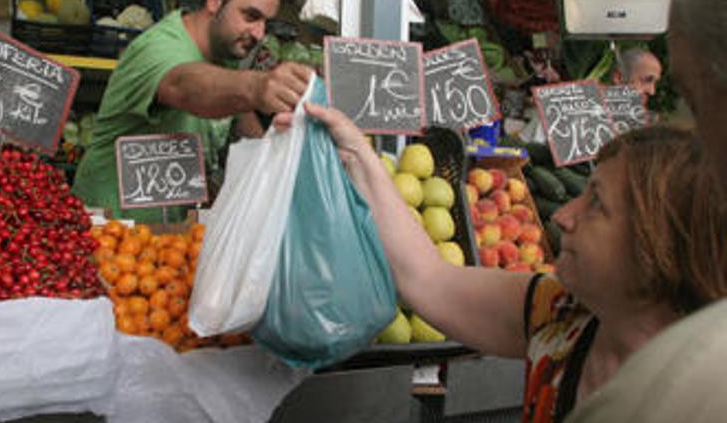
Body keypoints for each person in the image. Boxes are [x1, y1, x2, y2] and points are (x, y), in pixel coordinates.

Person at [273, 104, 727, 423]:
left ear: (657, 246)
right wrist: (357, 156)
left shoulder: (702, 398)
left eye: (597, 205)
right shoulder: (561, 316)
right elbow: (429, 279)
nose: (565, 216)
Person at [564, 0, 727, 421]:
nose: (563, 218)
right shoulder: (560, 325)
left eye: (691, 102)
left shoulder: (672, 388)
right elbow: (433, 279)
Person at [71, 0, 313, 221]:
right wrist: (258, 86)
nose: (259, 34)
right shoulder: (158, 47)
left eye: (266, 23)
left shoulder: (225, 58)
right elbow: (184, 86)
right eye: (251, 16)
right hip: (106, 229)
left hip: (168, 239)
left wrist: (283, 158)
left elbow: (243, 124)